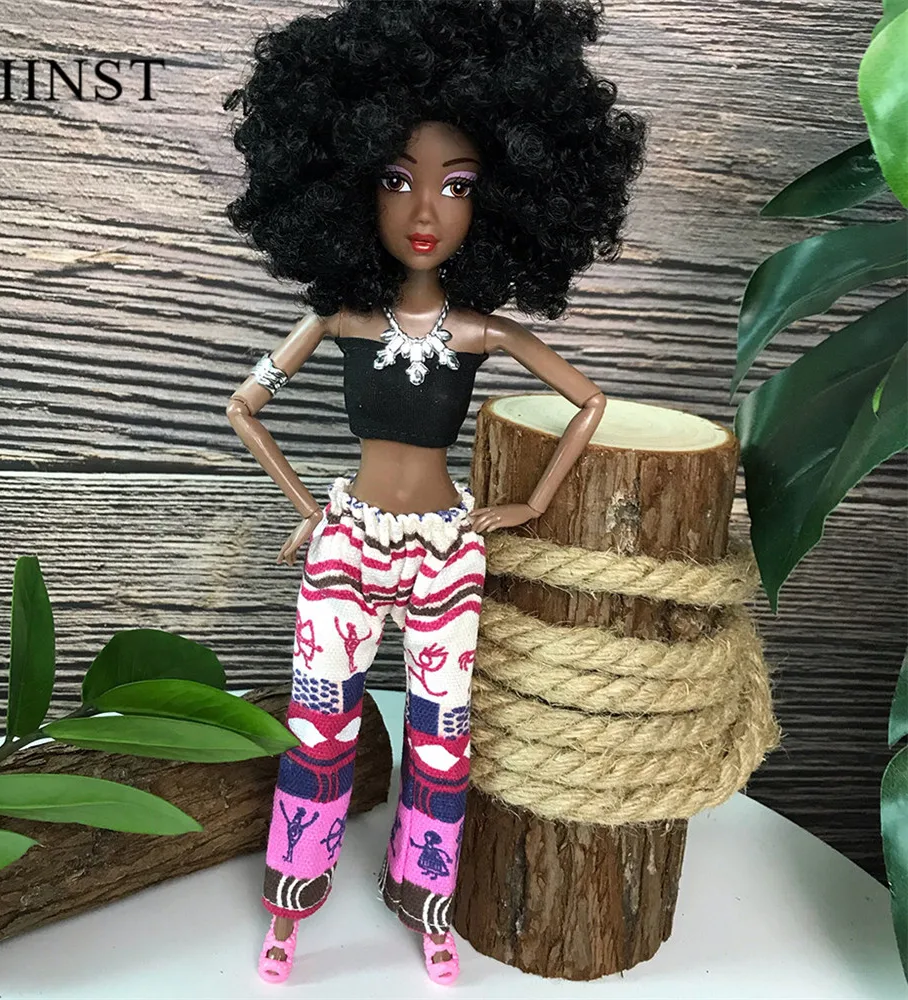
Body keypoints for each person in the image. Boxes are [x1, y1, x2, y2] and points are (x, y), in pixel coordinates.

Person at [223, 0, 646, 985]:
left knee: (443, 737)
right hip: (349, 542)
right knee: (318, 728)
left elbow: (589, 402)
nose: (425, 212)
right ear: (344, 187)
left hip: (447, 550)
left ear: (497, 200)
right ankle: (290, 907)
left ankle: (428, 904)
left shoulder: (482, 332)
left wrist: (530, 505)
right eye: (395, 179)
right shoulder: (341, 318)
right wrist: (310, 510)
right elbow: (244, 407)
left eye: (457, 185)